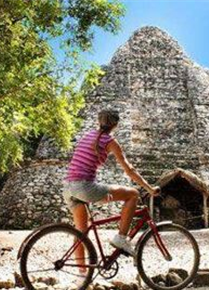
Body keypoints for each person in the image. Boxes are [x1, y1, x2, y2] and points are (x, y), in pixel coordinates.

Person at [63, 109, 157, 265]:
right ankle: (121, 238)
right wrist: (149, 188)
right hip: (84, 188)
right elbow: (129, 170)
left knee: (80, 233)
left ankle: (81, 278)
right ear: (116, 125)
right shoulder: (109, 141)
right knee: (133, 194)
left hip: (68, 187)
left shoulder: (87, 136)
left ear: (99, 122)